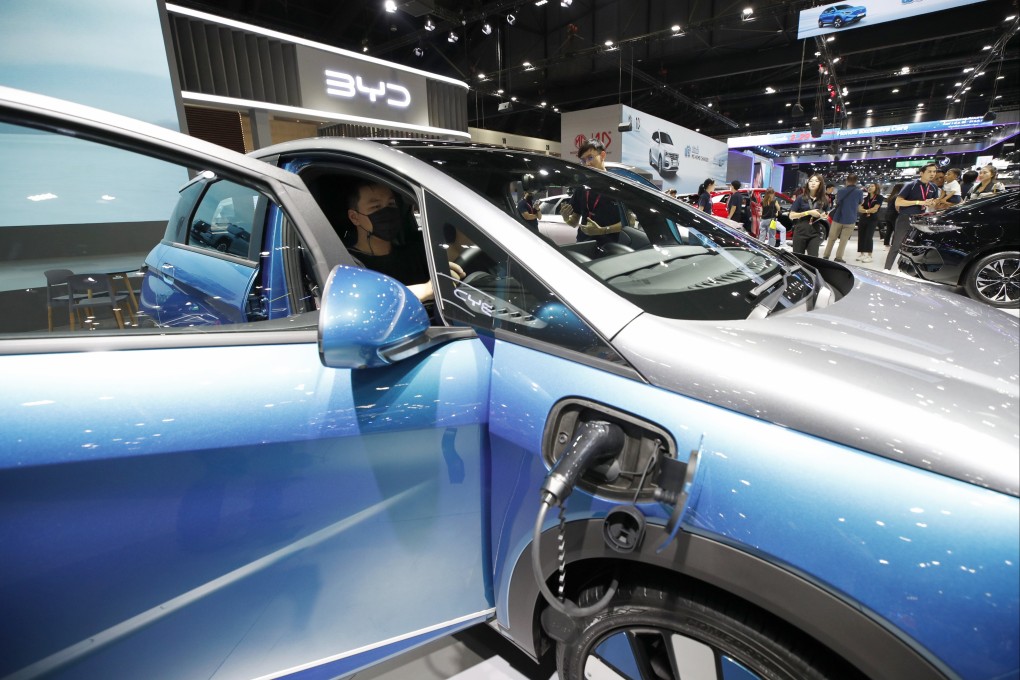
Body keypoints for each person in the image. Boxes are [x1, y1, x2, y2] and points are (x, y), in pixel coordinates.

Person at [345, 180, 462, 302]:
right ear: (354, 217)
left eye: (391, 204)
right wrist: (426, 290)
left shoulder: (415, 252)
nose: (387, 212)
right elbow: (365, 301)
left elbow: (457, 251)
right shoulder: (349, 262)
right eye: (376, 207)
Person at [559, 138, 625, 245]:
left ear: (602, 155)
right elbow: (574, 222)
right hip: (583, 244)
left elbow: (629, 222)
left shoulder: (617, 186)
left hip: (611, 247)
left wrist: (603, 230)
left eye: (590, 158)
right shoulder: (581, 187)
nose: (587, 164)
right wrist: (566, 218)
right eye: (583, 161)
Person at [885, 162, 938, 271]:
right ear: (922, 173)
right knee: (897, 244)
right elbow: (898, 202)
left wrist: (932, 203)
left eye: (934, 171)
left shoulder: (933, 187)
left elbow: (934, 202)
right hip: (906, 218)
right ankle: (886, 269)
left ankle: (907, 270)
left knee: (915, 246)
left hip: (921, 219)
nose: (932, 174)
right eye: (929, 171)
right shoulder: (911, 185)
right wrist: (919, 202)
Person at [823, 173, 863, 263]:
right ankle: (838, 257)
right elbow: (860, 203)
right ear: (856, 181)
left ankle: (826, 256)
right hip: (850, 219)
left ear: (847, 181)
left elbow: (837, 202)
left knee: (832, 238)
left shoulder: (840, 191)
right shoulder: (859, 192)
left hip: (838, 218)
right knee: (843, 240)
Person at [789, 174, 829, 257]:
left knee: (814, 259)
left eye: (816, 181)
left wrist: (824, 216)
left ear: (820, 184)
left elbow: (826, 214)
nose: (813, 183)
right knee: (798, 259)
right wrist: (808, 212)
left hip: (815, 233)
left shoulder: (824, 199)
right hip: (800, 232)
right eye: (811, 181)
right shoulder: (801, 198)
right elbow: (791, 215)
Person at [856, 183, 883, 264]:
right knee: (861, 235)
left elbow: (875, 209)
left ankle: (869, 255)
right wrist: (867, 211)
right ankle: (862, 254)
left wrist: (866, 210)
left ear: (876, 188)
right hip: (863, 218)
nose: (870, 187)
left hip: (873, 219)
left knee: (868, 236)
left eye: (872, 186)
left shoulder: (879, 197)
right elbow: (859, 208)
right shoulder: (865, 198)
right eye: (869, 186)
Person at [881, 182, 903, 246]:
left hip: (888, 214)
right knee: (896, 231)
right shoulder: (898, 196)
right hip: (894, 215)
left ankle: (886, 243)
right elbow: (897, 207)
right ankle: (894, 244)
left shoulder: (891, 196)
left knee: (889, 230)